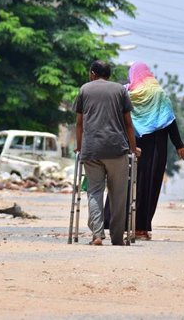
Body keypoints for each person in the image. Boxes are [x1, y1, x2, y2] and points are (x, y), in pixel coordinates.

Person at [74, 60, 140, 246]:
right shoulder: (120, 91)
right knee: (118, 194)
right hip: (116, 149)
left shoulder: (84, 90)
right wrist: (134, 149)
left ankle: (97, 234)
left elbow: (79, 123)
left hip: (92, 149)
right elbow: (128, 124)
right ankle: (117, 238)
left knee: (94, 191)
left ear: (93, 73)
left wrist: (79, 147)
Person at [126, 62, 184, 240]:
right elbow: (170, 121)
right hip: (155, 150)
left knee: (127, 184)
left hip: (131, 146)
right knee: (149, 186)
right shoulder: (159, 94)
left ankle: (119, 223)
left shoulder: (127, 93)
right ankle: (141, 228)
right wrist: (179, 145)